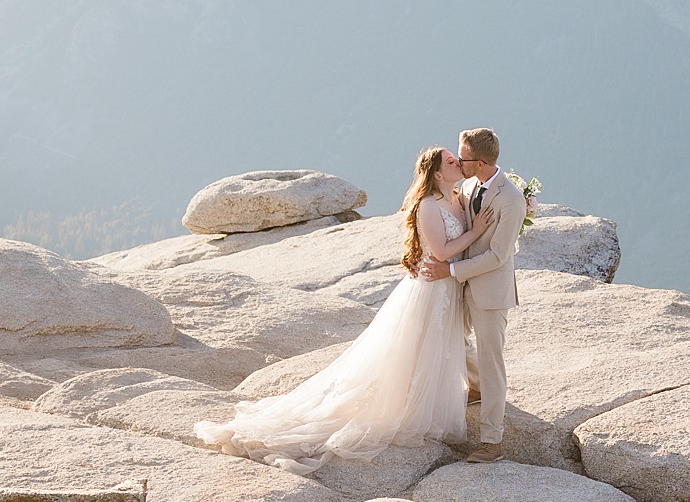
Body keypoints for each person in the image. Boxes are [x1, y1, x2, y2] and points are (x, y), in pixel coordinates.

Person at [194, 144, 498, 473]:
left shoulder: (459, 196)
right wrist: (477, 232)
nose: (458, 161)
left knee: (437, 347)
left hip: (448, 288)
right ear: (438, 173)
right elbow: (440, 251)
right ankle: (407, 404)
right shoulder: (428, 205)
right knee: (415, 349)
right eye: (451, 160)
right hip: (432, 287)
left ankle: (445, 393)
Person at [419, 127, 522, 463]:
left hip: (490, 290)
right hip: (460, 287)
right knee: (450, 339)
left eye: (461, 158)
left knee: (493, 365)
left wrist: (449, 271)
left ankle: (491, 442)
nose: (456, 161)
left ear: (478, 163)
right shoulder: (466, 185)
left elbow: (497, 256)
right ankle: (476, 387)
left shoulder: (511, 198)